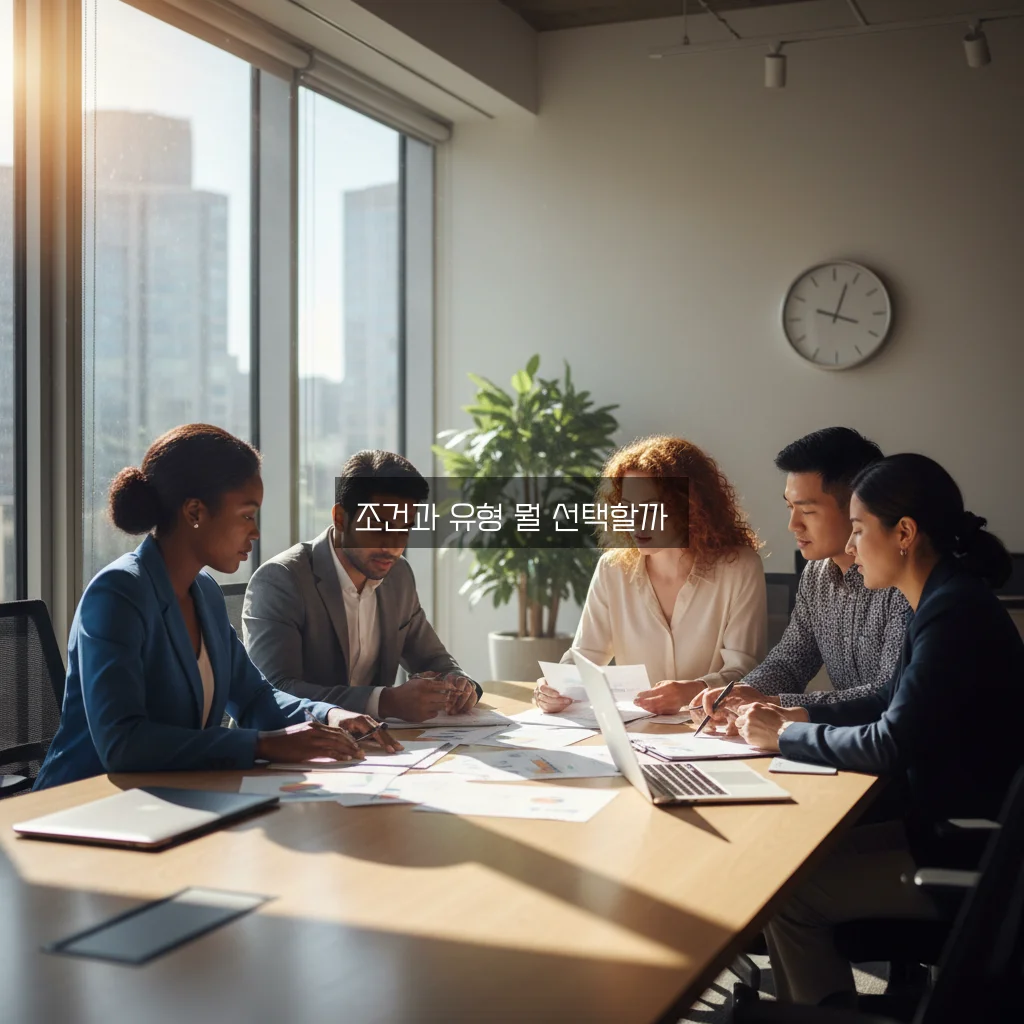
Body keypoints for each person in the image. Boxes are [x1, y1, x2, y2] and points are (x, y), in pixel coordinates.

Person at [721, 453, 1024, 1007]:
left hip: (967, 847)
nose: (852, 548)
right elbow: (893, 699)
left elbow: (890, 740)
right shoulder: (944, 598)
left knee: (790, 897)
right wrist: (799, 716)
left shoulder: (951, 613)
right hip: (949, 827)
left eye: (859, 530)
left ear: (904, 533)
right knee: (786, 869)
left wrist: (783, 737)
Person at [35, 425, 399, 792]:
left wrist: (331, 716)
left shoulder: (204, 592)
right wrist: (263, 745)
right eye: (246, 515)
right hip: (84, 806)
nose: (255, 532)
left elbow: (255, 696)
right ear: (195, 511)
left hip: (172, 799)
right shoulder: (118, 594)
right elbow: (124, 743)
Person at [532, 436, 767, 716]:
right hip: (638, 731)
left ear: (690, 506)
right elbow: (584, 657)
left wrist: (692, 690)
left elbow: (747, 670)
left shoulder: (739, 566)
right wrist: (553, 686)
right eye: (628, 506)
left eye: (651, 507)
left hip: (713, 727)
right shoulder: (612, 569)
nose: (635, 520)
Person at [692, 427, 909, 722]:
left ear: (859, 506)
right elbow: (789, 663)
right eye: (789, 507)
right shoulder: (816, 573)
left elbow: (888, 694)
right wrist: (740, 694)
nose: (793, 525)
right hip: (848, 744)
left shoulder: (905, 578)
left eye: (807, 511)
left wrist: (780, 707)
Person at [244, 450, 478, 722]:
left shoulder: (398, 575)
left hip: (378, 748)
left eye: (404, 530)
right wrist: (384, 701)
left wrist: (459, 683)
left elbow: (434, 660)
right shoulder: (281, 579)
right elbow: (275, 690)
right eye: (380, 527)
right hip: (295, 751)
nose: (392, 546)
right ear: (341, 518)